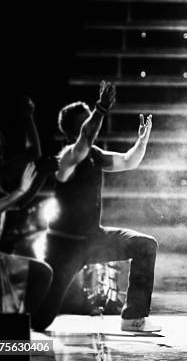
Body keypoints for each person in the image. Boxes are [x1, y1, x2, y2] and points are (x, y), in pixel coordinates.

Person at [31, 81, 160, 333]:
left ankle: (134, 318)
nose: (91, 124)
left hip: (93, 239)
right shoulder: (67, 158)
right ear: (73, 131)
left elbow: (127, 161)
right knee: (39, 321)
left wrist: (142, 142)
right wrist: (100, 108)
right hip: (64, 248)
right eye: (86, 121)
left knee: (145, 245)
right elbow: (83, 141)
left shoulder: (95, 154)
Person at [0, 122, 52, 315]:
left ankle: (20, 326)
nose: (0, 155)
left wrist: (29, 119)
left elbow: (33, 155)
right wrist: (20, 190)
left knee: (42, 273)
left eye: (0, 150)